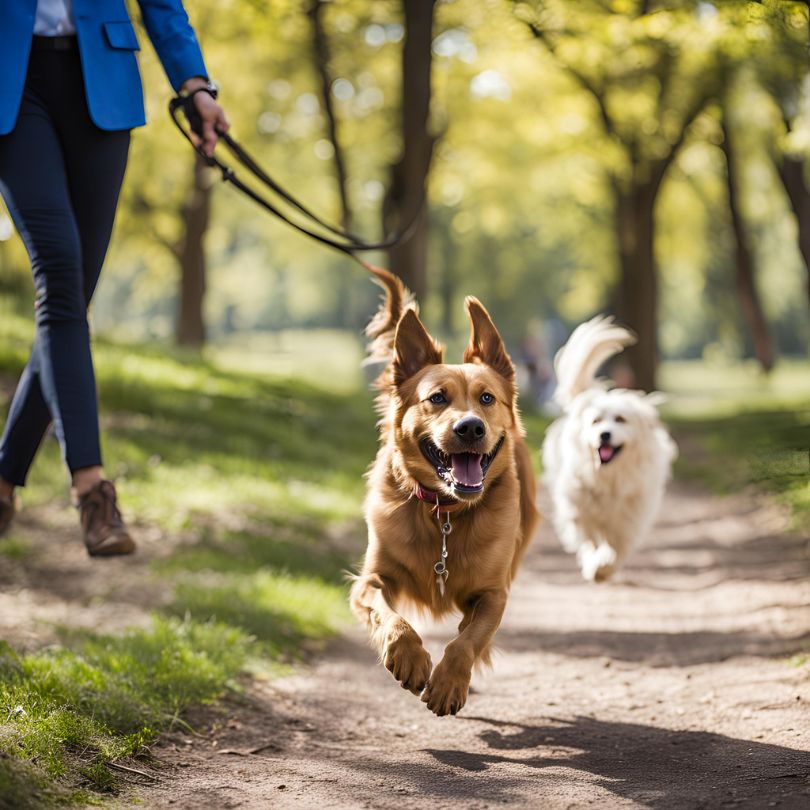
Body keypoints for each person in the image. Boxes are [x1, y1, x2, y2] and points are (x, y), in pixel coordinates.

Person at [0, 0, 229, 555]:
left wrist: (194, 83)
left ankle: (3, 481)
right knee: (58, 271)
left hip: (100, 81)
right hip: (11, 80)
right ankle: (91, 492)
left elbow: (161, 4)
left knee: (70, 299)